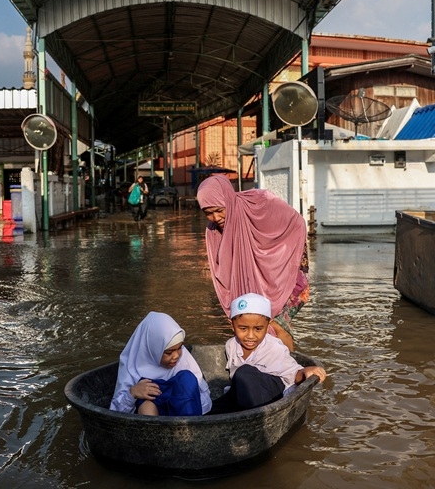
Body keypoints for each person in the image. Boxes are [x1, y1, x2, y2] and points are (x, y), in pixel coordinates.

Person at [197, 174, 309, 352]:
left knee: (276, 325)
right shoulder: (213, 231)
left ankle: (290, 368)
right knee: (249, 325)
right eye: (208, 213)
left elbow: (296, 222)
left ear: (228, 199)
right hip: (247, 285)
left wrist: (277, 257)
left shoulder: (260, 202)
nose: (216, 217)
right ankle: (263, 368)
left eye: (219, 210)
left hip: (282, 279)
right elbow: (222, 270)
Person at [214, 293, 326, 412]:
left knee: (244, 373)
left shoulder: (274, 348)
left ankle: (250, 414)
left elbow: (292, 374)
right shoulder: (231, 345)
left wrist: (305, 372)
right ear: (232, 325)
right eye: (243, 328)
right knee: (208, 411)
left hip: (271, 394)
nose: (250, 336)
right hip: (242, 394)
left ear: (267, 327)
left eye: (258, 329)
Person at [110, 311, 212, 416]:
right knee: (146, 397)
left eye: (179, 348)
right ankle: (156, 430)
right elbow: (115, 413)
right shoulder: (133, 366)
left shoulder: (183, 362)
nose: (176, 355)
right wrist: (132, 393)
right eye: (168, 352)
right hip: (153, 414)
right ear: (153, 349)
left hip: (183, 415)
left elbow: (204, 402)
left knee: (187, 378)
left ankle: (187, 429)